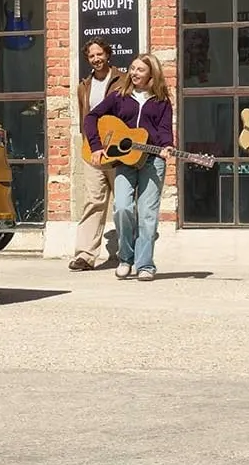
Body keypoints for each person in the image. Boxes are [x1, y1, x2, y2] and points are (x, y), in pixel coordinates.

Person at [83, 53, 174, 282]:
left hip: (152, 161)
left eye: (140, 70)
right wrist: (95, 146)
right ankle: (126, 258)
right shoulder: (119, 97)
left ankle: (145, 265)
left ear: (151, 73)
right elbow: (92, 117)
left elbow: (164, 129)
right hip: (125, 161)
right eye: (132, 68)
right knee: (122, 208)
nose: (134, 73)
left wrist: (167, 147)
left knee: (147, 215)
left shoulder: (161, 100)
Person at [68, 38, 123, 271]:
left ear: (107, 54)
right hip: (93, 150)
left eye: (99, 54)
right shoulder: (85, 85)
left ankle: (127, 252)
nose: (96, 59)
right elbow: (85, 119)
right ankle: (85, 255)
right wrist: (90, 145)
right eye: (91, 56)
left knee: (124, 203)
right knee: (93, 201)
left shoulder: (124, 80)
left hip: (119, 150)